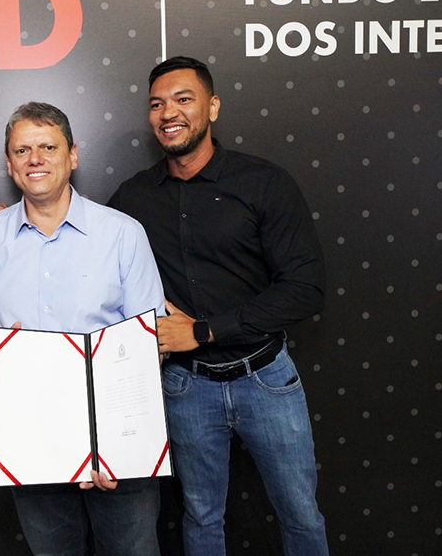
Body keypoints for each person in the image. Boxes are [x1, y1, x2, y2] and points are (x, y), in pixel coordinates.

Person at [107, 56, 329, 555]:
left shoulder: (264, 183)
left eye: (183, 99)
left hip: (266, 378)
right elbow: (77, 234)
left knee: (300, 514)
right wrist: (0, 221)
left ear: (212, 107)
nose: (169, 112)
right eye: (157, 104)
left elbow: (306, 288)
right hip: (186, 387)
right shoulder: (133, 198)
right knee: (201, 517)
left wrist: (204, 330)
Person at [0, 102, 167, 556]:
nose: (35, 159)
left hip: (116, 434)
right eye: (22, 150)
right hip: (31, 433)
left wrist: (118, 443)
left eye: (48, 147)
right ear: (9, 163)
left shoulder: (123, 233)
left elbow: (151, 337)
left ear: (72, 155)